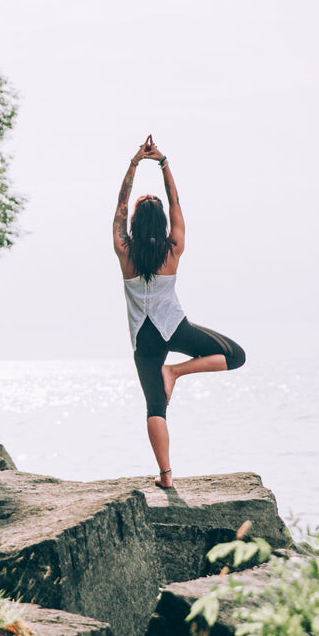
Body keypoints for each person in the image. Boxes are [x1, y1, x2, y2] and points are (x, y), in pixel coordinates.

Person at [112, 135, 245, 489]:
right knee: (236, 356)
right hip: (175, 328)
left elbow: (120, 204)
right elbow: (176, 202)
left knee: (156, 407)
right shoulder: (174, 247)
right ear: (161, 225)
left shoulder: (124, 250)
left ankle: (166, 476)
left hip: (145, 339)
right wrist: (163, 162)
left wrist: (134, 165)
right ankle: (177, 371)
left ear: (136, 223)